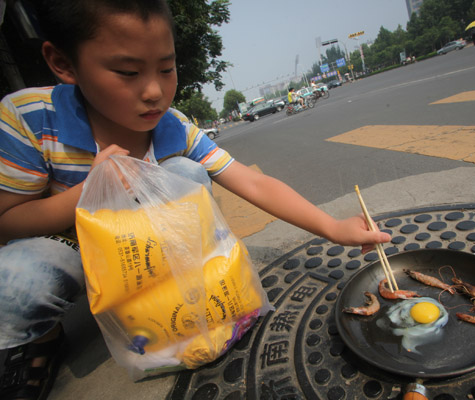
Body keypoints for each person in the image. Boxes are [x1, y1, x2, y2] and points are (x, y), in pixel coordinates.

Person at [0, 1, 390, 399]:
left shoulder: (174, 128)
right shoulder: (31, 117)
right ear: (63, 63)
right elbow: (8, 219)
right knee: (18, 280)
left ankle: (182, 300)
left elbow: (253, 184)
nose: (154, 91)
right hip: (72, 249)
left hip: (145, 262)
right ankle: (43, 337)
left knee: (187, 173)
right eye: (128, 72)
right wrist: (90, 191)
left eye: (166, 69)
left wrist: (333, 227)